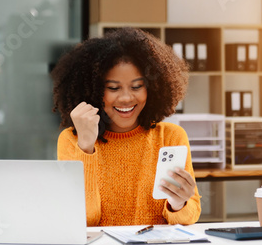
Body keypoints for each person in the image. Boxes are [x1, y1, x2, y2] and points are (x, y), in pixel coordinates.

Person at [51, 27, 201, 227]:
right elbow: (84, 219)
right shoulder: (71, 140)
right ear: (94, 90)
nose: (126, 98)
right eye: (113, 88)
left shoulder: (170, 137)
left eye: (137, 86)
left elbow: (190, 217)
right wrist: (85, 147)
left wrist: (178, 203)